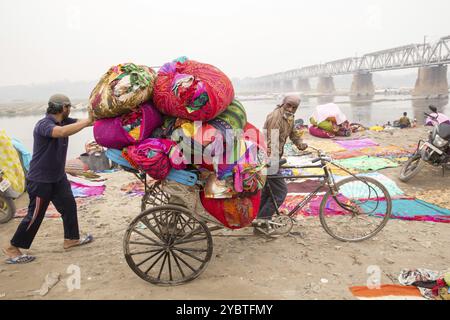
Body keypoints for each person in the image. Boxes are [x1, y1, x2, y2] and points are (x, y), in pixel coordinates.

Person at [2, 94, 94, 264]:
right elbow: (62, 132)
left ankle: (71, 239)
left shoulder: (64, 121)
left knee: (68, 206)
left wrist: (97, 117)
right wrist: (88, 122)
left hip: (57, 178)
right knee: (35, 215)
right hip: (41, 180)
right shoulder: (44, 124)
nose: (69, 111)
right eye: (69, 107)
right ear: (63, 108)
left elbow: (80, 122)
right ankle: (12, 248)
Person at [253, 95, 308, 236]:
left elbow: (293, 133)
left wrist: (299, 143)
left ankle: (259, 222)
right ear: (282, 103)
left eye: (294, 107)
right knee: (280, 192)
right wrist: (273, 163)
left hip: (273, 157)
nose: (290, 109)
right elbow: (272, 143)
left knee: (267, 191)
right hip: (268, 157)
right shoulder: (276, 118)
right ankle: (262, 224)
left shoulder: (288, 116)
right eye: (288, 105)